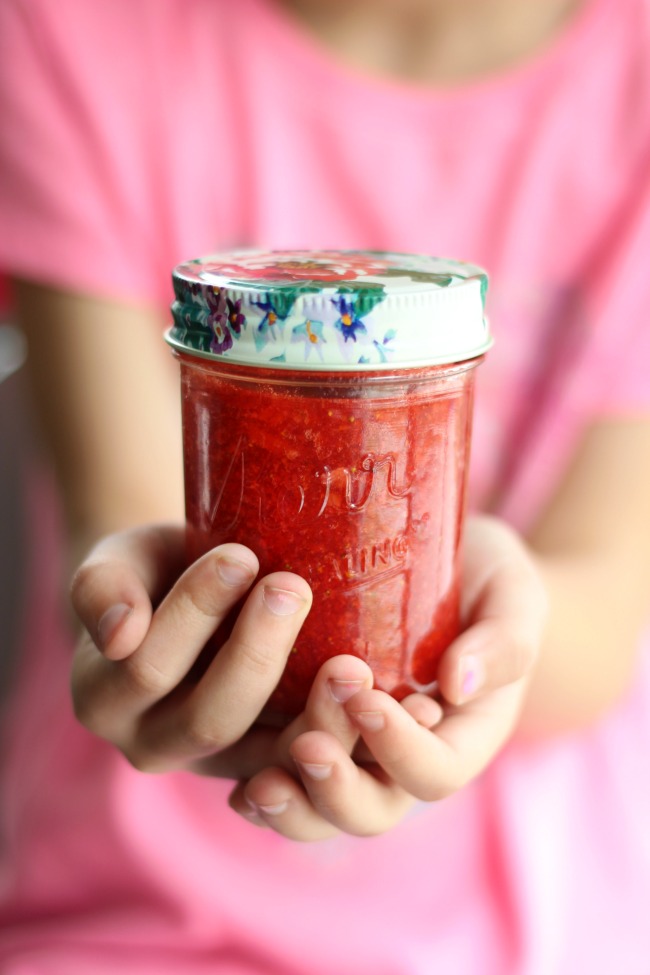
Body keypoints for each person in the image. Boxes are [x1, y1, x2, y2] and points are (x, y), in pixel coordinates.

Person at [1, 0, 650, 971]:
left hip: (534, 928)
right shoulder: (62, 30)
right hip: (125, 908)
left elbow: (606, 596)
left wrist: (486, 630)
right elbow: (124, 509)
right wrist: (140, 620)